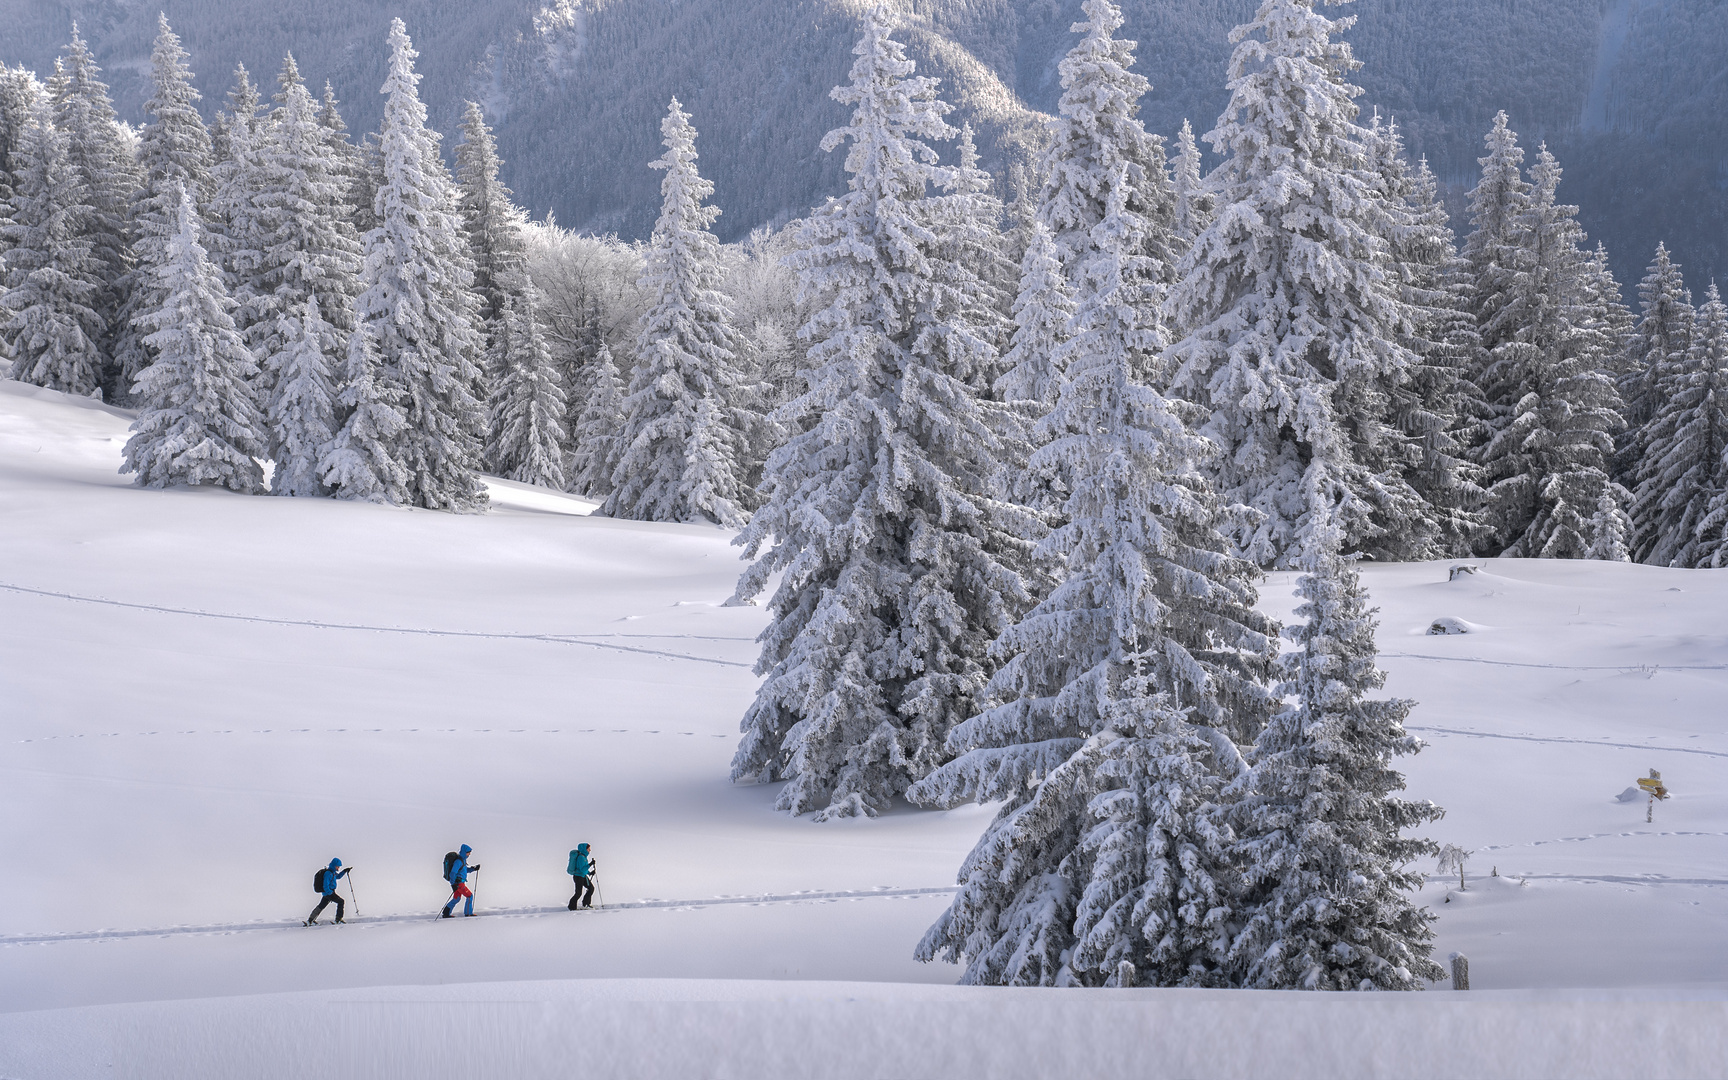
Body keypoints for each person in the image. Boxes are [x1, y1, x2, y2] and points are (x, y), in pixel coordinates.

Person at [306, 858, 352, 925]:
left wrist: (345, 871)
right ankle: (338, 919)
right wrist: (329, 893)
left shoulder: (332, 872)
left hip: (327, 893)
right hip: (329, 892)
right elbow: (325, 885)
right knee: (341, 902)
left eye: (339, 867)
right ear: (334, 865)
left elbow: (338, 876)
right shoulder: (328, 873)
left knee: (321, 906)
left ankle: (310, 920)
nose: (338, 868)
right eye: (337, 866)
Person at [442, 844, 480, 918]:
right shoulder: (458, 861)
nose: (469, 854)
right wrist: (453, 884)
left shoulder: (463, 860)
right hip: (459, 884)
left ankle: (446, 913)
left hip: (458, 883)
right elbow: (453, 873)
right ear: (464, 852)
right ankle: (468, 913)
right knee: (469, 896)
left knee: (456, 899)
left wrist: (474, 869)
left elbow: (464, 870)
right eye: (468, 852)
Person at [567, 843, 595, 910]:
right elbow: (582, 869)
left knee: (591, 888)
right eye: (588, 849)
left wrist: (590, 873)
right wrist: (590, 864)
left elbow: (583, 869)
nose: (590, 850)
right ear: (585, 849)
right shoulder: (581, 858)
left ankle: (586, 904)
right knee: (578, 893)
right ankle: (572, 907)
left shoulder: (583, 857)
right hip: (578, 877)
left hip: (582, 876)